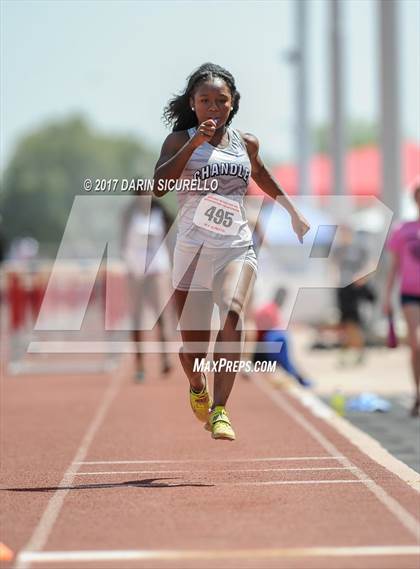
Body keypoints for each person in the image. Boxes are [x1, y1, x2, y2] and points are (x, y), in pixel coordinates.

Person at [153, 63, 310, 440]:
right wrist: (193, 144)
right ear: (193, 103)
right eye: (204, 100)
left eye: (220, 100)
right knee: (193, 351)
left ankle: (221, 410)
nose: (212, 107)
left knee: (234, 313)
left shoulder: (246, 143)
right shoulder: (178, 141)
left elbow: (260, 173)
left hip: (235, 247)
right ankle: (196, 385)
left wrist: (292, 211)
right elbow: (158, 187)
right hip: (192, 250)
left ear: (232, 103)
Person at [121, 192, 173, 382]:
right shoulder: (130, 215)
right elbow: (123, 241)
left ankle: (166, 358)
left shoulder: (161, 214)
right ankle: (140, 364)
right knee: (137, 317)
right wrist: (127, 265)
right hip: (136, 271)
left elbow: (171, 238)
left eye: (147, 194)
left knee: (162, 315)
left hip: (158, 269)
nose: (144, 198)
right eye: (140, 194)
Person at [383, 183, 420, 417]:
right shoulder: (402, 229)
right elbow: (393, 267)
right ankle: (418, 393)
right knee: (415, 344)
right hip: (409, 294)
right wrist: (386, 297)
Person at [331, 225, 375, 366]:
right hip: (342, 289)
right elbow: (333, 266)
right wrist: (335, 278)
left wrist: (362, 276)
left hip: (355, 290)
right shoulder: (338, 249)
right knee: (345, 322)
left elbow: (371, 265)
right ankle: (350, 350)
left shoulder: (358, 249)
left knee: (355, 321)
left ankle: (359, 350)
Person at [253, 287, 313, 388]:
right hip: (262, 350)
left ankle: (296, 374)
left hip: (264, 346)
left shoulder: (271, 309)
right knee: (281, 339)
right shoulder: (270, 310)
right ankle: (295, 375)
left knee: (282, 340)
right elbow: (268, 332)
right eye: (283, 298)